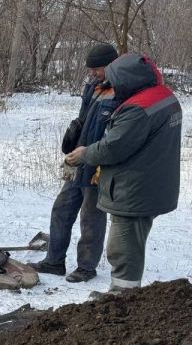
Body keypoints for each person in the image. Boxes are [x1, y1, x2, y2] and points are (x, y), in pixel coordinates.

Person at [65, 53, 182, 293]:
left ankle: (121, 299)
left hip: (135, 189)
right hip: (152, 184)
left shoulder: (138, 109)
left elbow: (113, 148)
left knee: (123, 248)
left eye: (115, 81)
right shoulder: (164, 97)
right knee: (132, 244)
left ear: (129, 80)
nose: (113, 87)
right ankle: (124, 297)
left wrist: (84, 154)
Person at [32, 42, 119, 283]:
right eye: (90, 69)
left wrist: (96, 153)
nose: (92, 73)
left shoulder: (123, 90)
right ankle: (54, 261)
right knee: (62, 207)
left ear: (112, 65)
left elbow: (119, 133)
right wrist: (73, 137)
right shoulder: (93, 85)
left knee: (91, 215)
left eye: (97, 69)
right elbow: (84, 117)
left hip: (99, 162)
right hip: (79, 158)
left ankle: (86, 267)